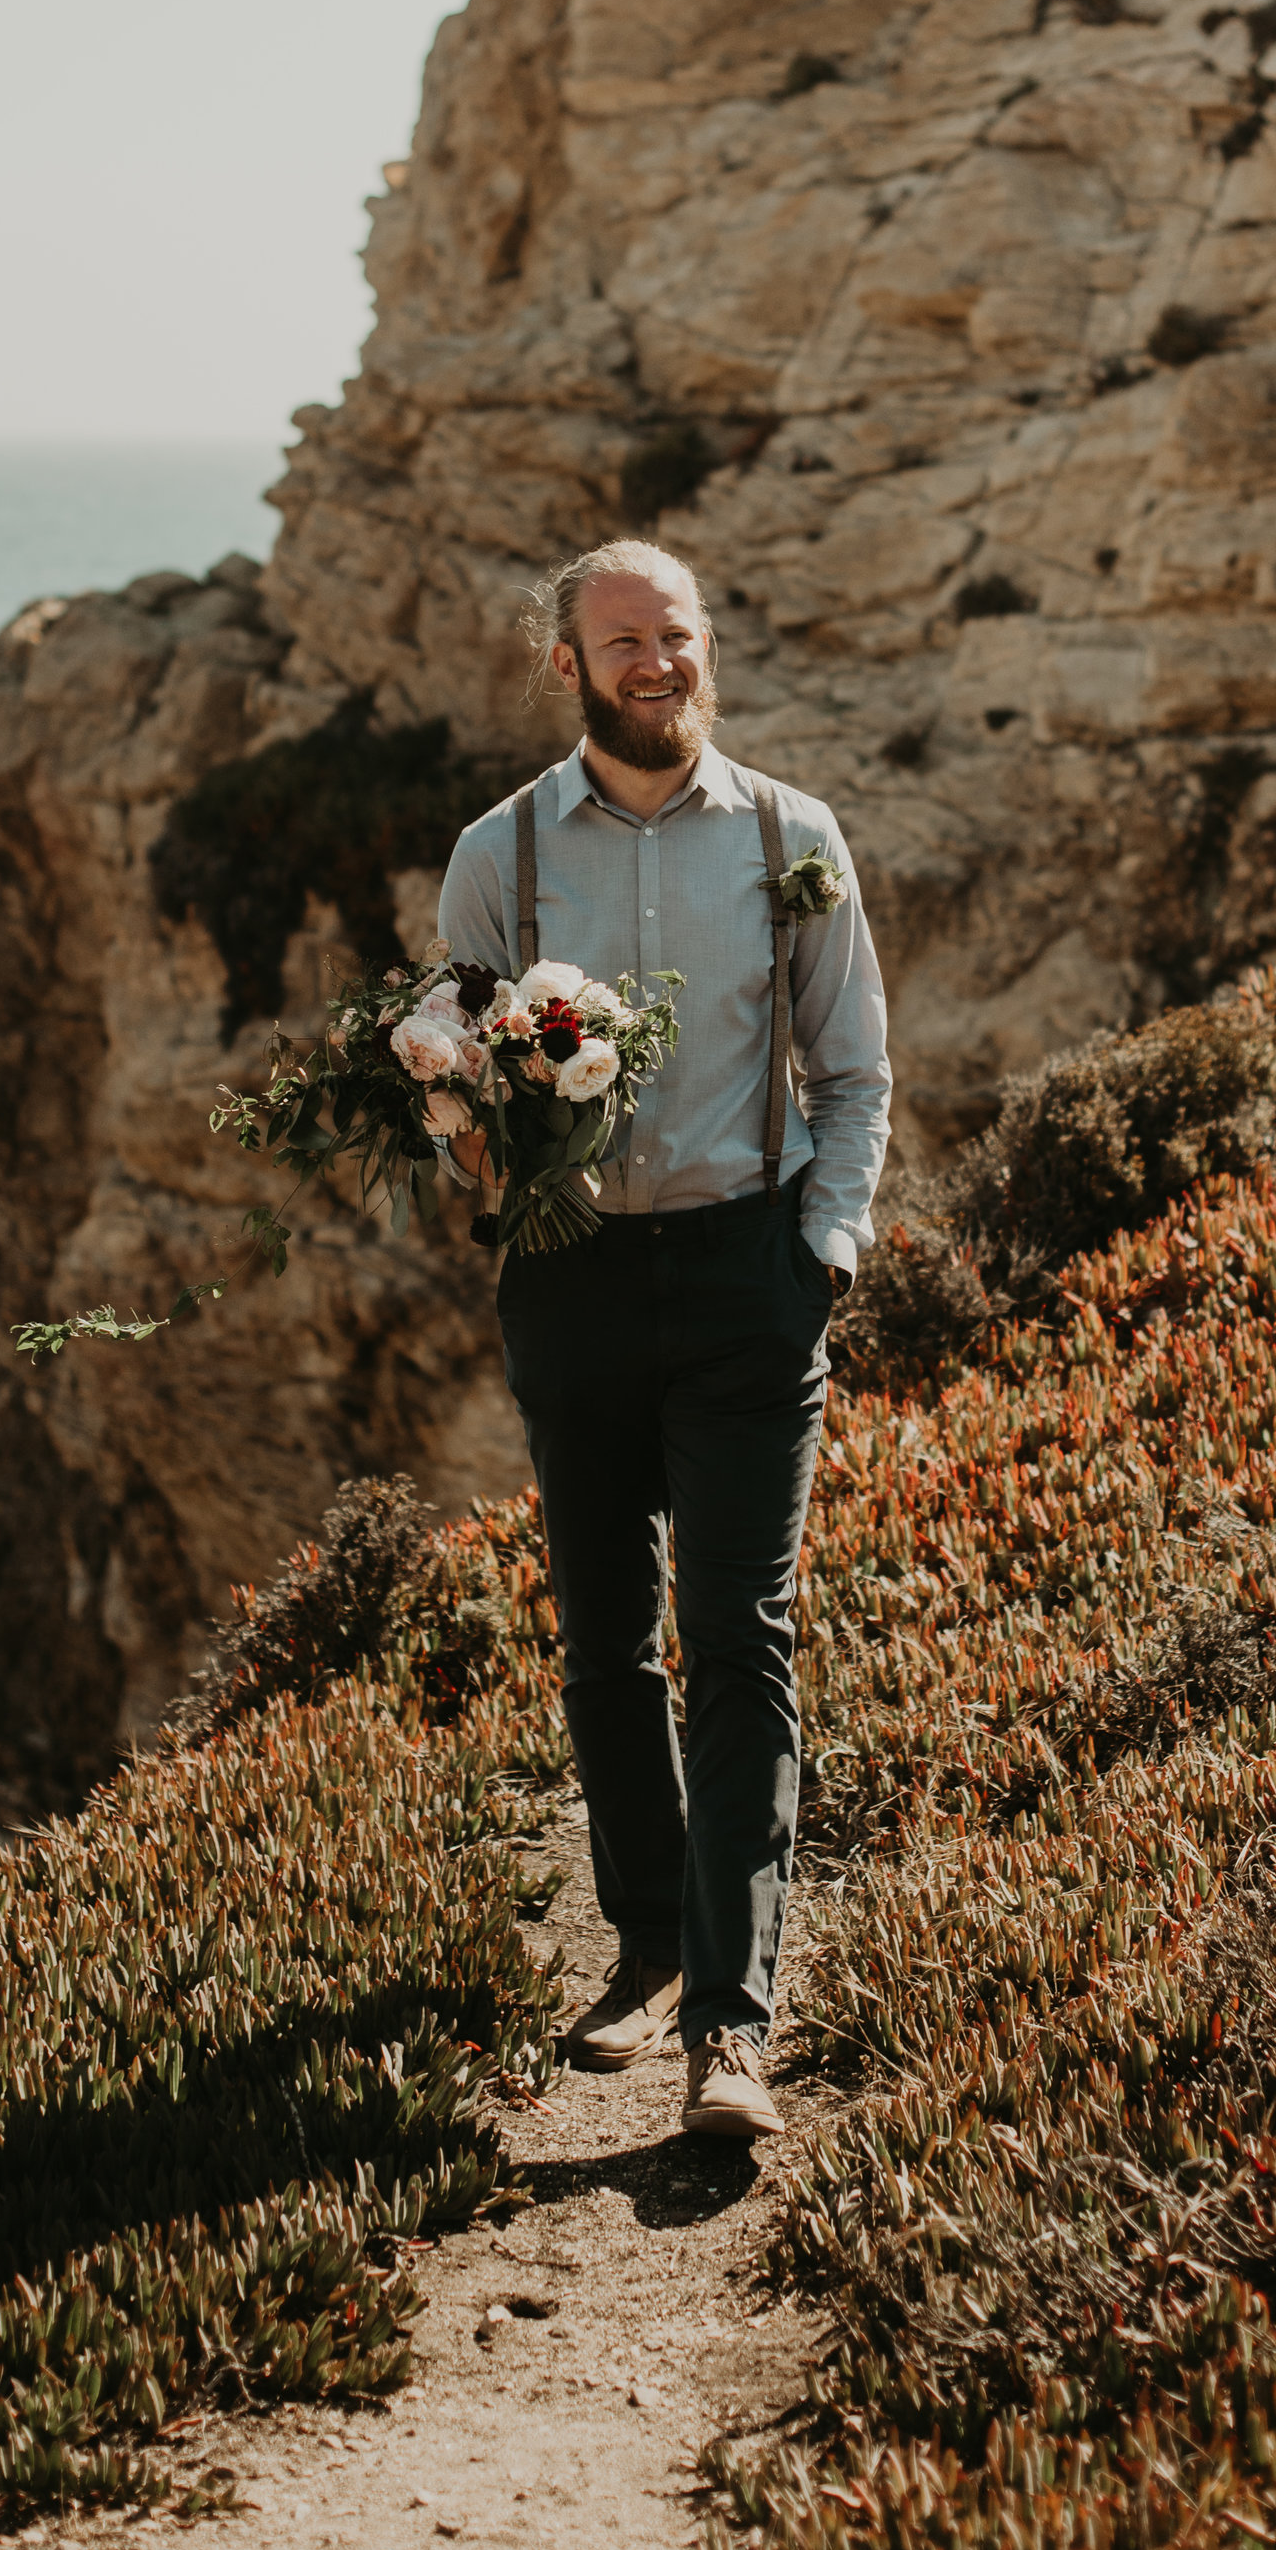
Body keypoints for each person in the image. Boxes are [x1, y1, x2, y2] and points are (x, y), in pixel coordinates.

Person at [437, 540, 891, 2145]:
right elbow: (458, 1072)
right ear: (565, 662)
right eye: (621, 639)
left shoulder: (793, 835)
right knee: (605, 1636)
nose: (656, 662)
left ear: (707, 649)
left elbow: (854, 1073)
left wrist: (823, 1247)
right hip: (568, 1272)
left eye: (675, 635)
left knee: (742, 1634)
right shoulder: (499, 853)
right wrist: (475, 1139)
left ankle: (733, 2023)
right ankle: (640, 1946)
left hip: (747, 1275)